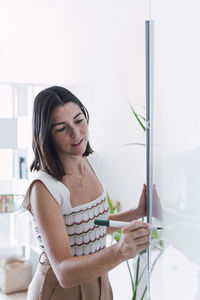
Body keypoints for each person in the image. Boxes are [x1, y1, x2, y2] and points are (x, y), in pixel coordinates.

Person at [22, 86, 150, 300]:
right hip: (60, 290)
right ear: (46, 135)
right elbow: (64, 272)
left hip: (98, 278)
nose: (76, 133)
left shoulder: (90, 163)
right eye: (62, 128)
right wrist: (119, 251)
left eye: (79, 120)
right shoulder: (43, 188)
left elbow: (90, 226)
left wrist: (137, 212)